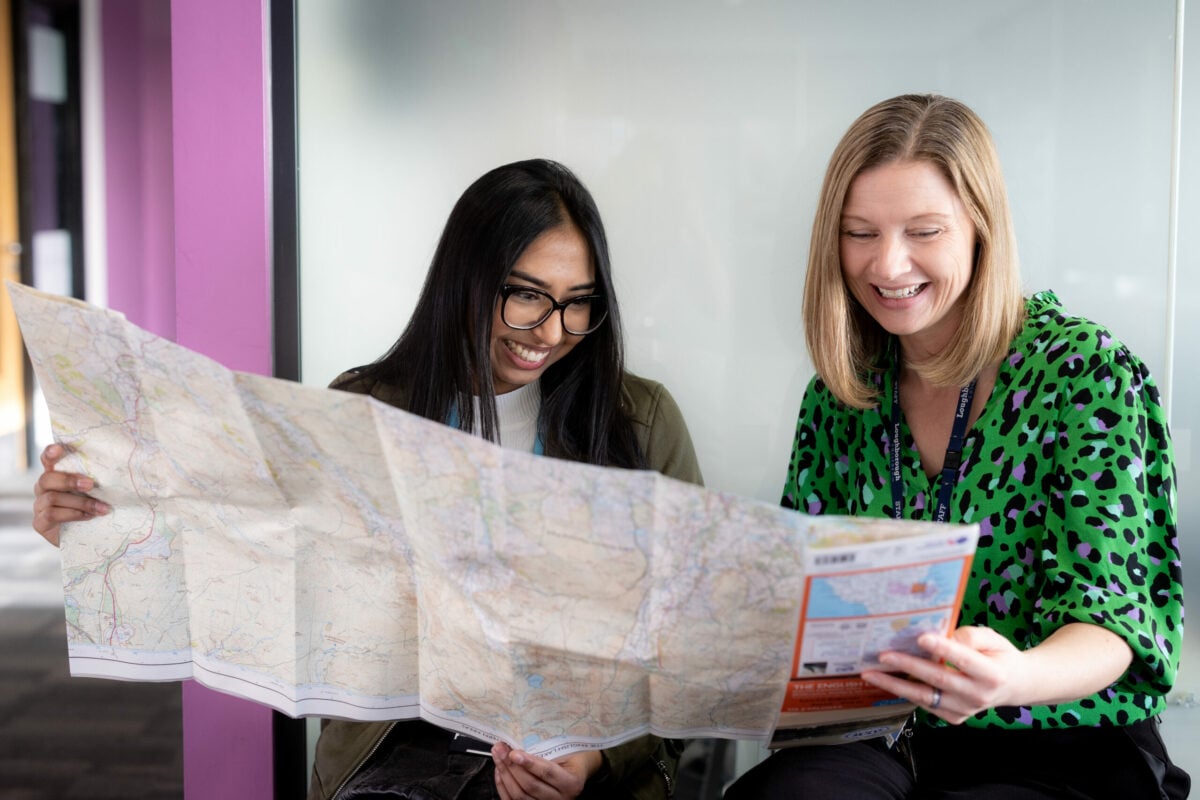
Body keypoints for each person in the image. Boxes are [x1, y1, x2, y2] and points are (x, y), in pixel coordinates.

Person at [33, 158, 704, 800]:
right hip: (399, 755)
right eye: (527, 295)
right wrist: (104, 528)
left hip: (572, 757)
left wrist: (596, 758)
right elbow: (265, 576)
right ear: (466, 281)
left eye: (579, 303)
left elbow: (693, 644)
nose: (553, 332)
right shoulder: (364, 408)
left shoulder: (638, 424)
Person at [725, 94, 1188, 799]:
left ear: (980, 230)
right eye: (860, 232)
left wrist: (1011, 676)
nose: (888, 263)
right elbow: (804, 601)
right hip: (883, 734)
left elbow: (1115, 623)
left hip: (1058, 734)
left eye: (924, 230)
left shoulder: (1085, 376)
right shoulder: (840, 395)